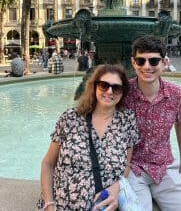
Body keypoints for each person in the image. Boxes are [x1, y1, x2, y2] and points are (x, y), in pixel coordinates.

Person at [40, 64, 139, 210]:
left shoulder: (127, 120)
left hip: (102, 206)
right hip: (61, 205)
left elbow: (127, 165)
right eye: (104, 85)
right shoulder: (70, 117)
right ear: (94, 87)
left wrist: (116, 187)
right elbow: (48, 164)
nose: (110, 91)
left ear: (122, 92)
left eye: (116, 88)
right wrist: (49, 203)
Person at [121, 35, 181, 211]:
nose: (147, 67)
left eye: (154, 61)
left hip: (165, 166)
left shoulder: (176, 94)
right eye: (141, 61)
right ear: (133, 63)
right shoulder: (123, 93)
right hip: (133, 168)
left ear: (164, 63)